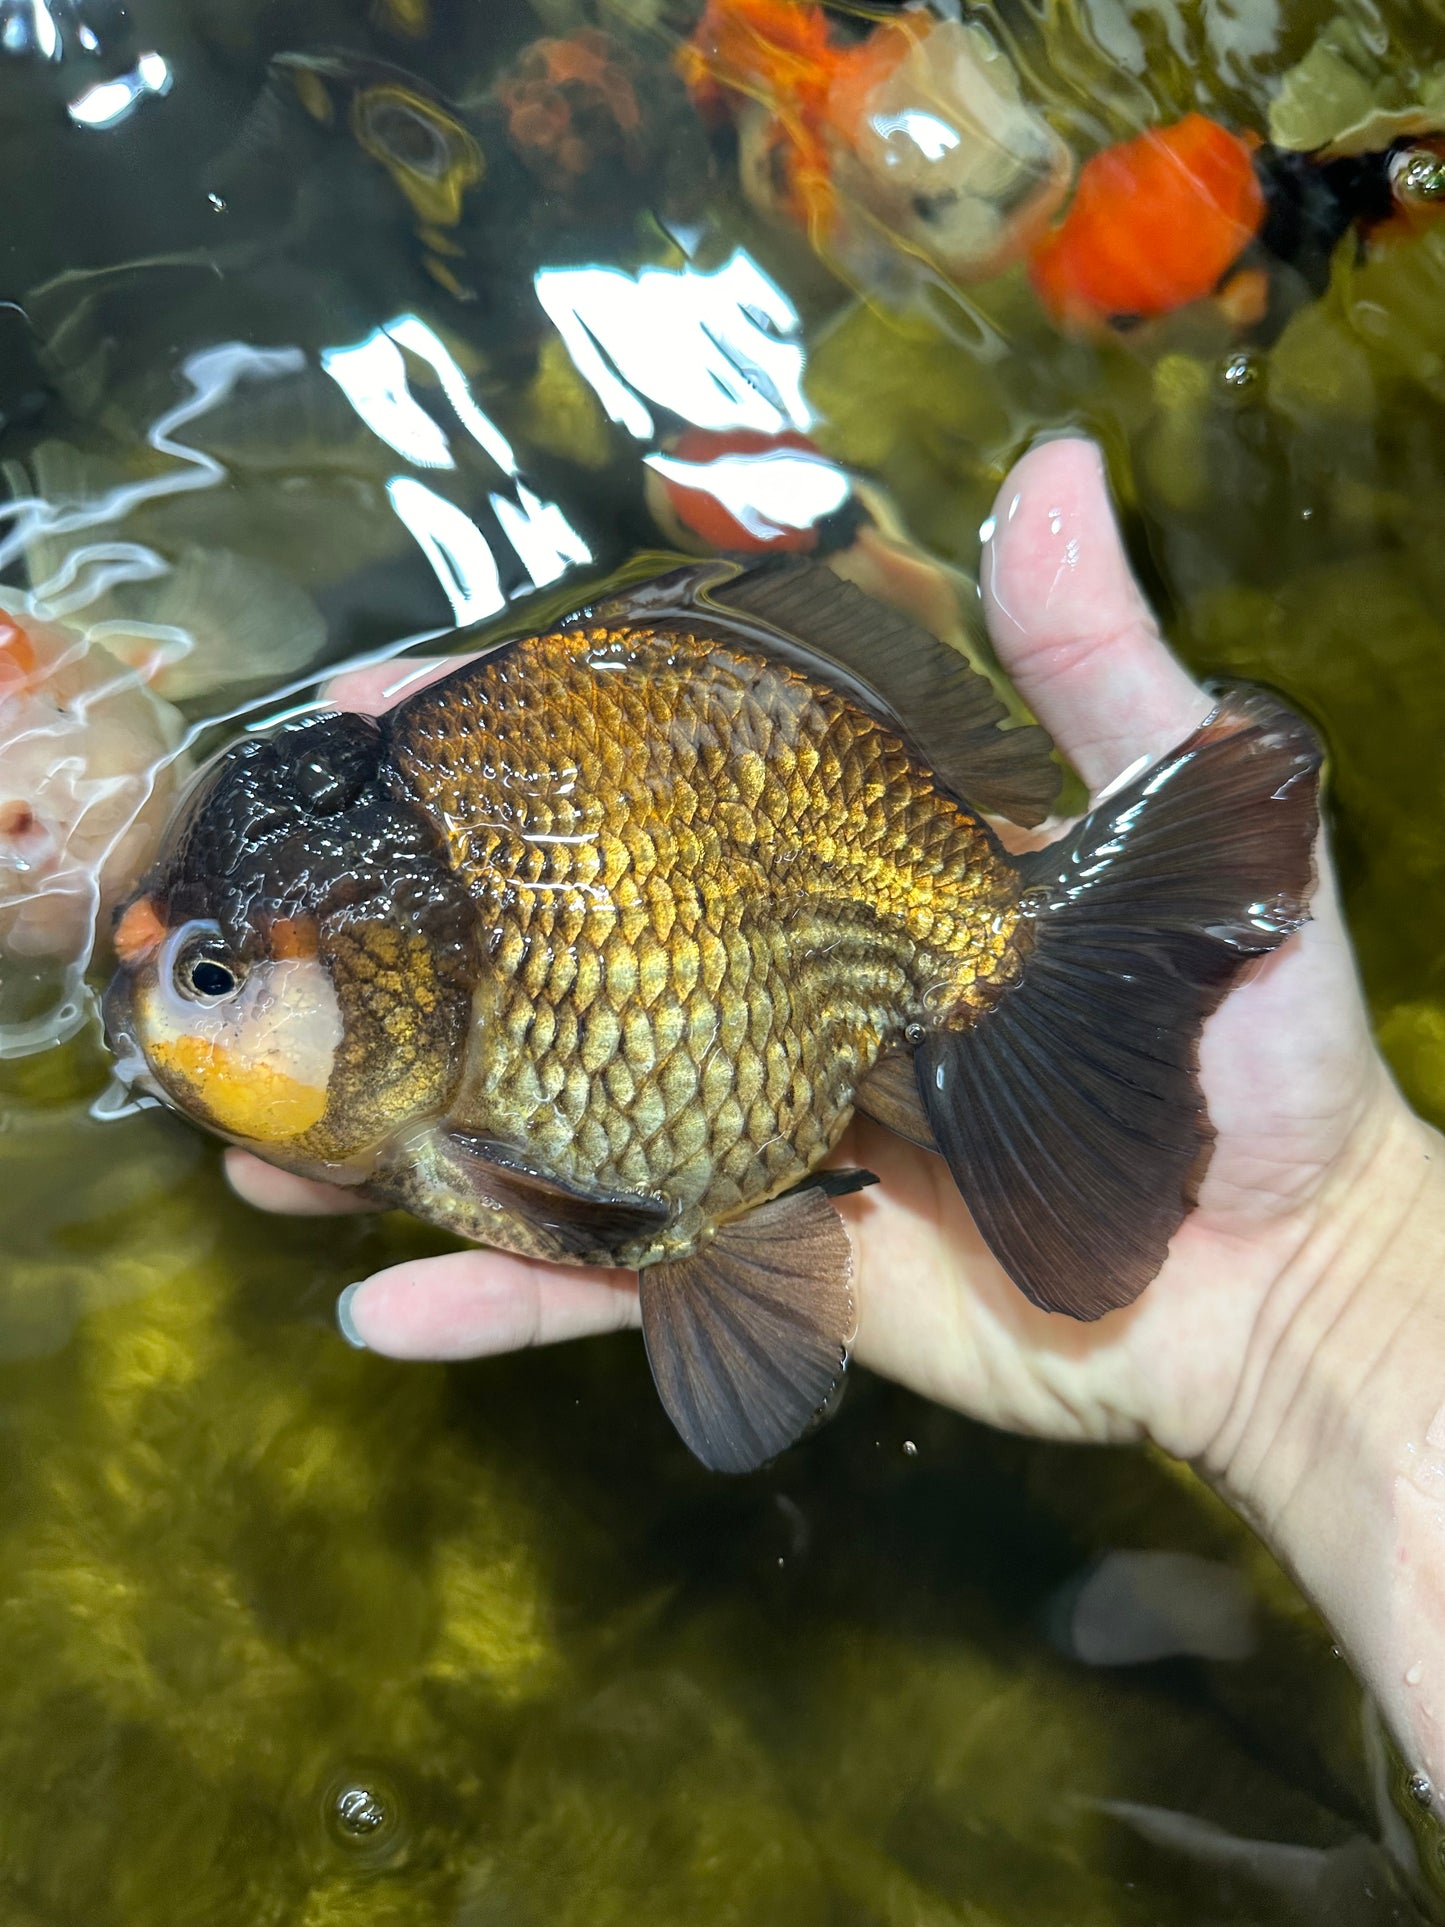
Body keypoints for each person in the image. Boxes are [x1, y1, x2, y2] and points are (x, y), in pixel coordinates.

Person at [224, 435, 1445, 1807]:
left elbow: (614, 1216)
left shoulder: (440, 1088)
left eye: (214, 983)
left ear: (375, 973)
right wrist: (1333, 1295)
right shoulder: (421, 1087)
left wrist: (1334, 1250)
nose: (174, 1027)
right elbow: (623, 1226)